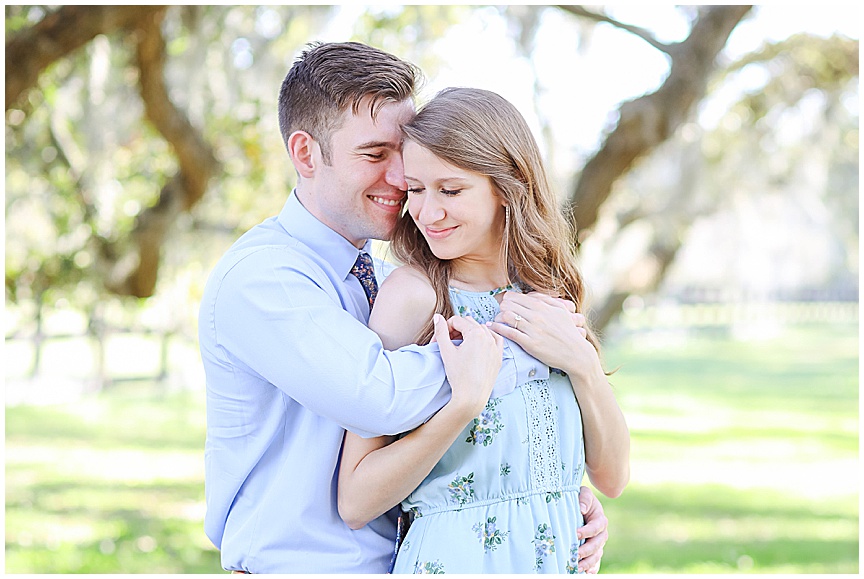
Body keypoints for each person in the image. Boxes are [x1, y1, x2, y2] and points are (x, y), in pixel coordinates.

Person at [198, 41, 610, 574]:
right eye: (374, 154)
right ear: (305, 154)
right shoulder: (262, 279)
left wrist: (543, 492)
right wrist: (539, 351)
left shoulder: (394, 276)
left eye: (403, 151)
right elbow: (378, 394)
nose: (401, 178)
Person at [337, 87, 630, 573]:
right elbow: (355, 498)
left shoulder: (548, 294)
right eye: (415, 190)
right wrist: (462, 407)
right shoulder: (414, 299)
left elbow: (613, 477)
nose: (427, 212)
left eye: (450, 190)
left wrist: (582, 364)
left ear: (506, 185)